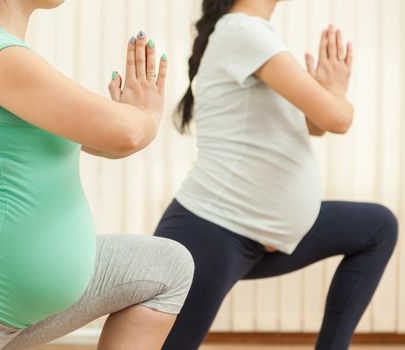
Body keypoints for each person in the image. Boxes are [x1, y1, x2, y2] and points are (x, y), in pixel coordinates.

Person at [0, 0, 194, 349]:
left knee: (166, 267)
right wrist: (144, 115)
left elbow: (106, 141)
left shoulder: (2, 51)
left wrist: (129, 118)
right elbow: (128, 135)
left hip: (9, 299)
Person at [154, 0, 398, 349]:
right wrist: (337, 97)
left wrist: (329, 93)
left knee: (377, 227)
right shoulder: (244, 31)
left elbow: (313, 125)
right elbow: (337, 119)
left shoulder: (254, 35)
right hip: (212, 232)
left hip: (264, 234)